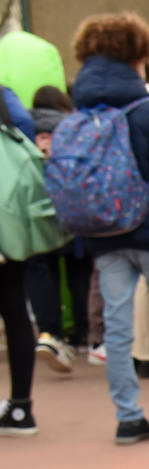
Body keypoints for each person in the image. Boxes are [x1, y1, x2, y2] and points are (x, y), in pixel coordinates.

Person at [68, 12, 149, 444]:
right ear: (138, 56)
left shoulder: (81, 111)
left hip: (103, 232)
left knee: (117, 321)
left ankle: (128, 416)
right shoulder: (148, 110)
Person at [23, 85, 89, 372]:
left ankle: (51, 333)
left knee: (41, 269)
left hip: (36, 209)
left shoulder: (25, 128)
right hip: (70, 206)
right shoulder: (73, 126)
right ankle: (83, 332)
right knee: (79, 271)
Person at [0, 88, 42, 436]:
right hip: (10, 234)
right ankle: (20, 407)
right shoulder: (9, 123)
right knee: (16, 312)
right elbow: (26, 122)